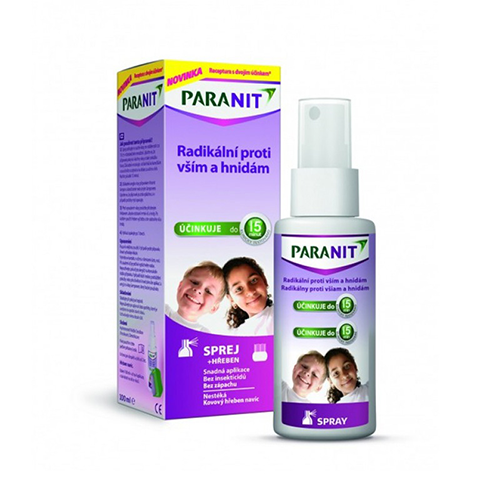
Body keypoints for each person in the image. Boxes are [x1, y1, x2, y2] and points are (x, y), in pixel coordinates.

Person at [165, 261, 225, 333]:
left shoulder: (205, 335)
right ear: (180, 285)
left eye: (208, 291)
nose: (198, 290)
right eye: (195, 282)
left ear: (214, 308)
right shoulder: (161, 311)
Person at [223, 257, 273, 335]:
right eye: (239, 289)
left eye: (253, 280)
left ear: (264, 280)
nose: (250, 292)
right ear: (231, 299)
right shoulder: (237, 336)